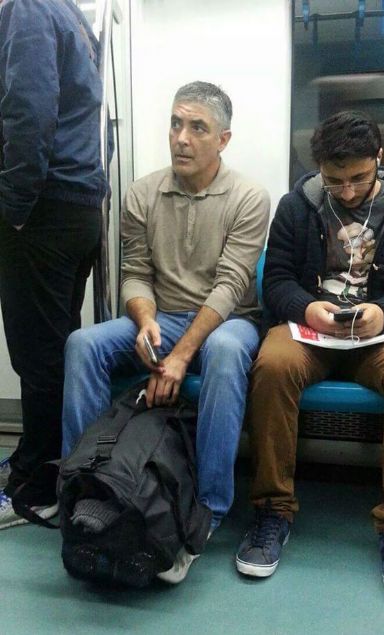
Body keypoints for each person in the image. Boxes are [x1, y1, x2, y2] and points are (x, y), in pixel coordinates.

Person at [61, 81, 270, 583]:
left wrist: (178, 357)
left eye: (197, 127)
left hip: (229, 320)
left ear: (223, 139)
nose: (181, 137)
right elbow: (135, 273)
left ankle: (208, 510)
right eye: (176, 123)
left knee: (224, 352)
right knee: (83, 343)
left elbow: (230, 285)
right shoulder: (143, 193)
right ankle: (85, 485)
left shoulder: (249, 197)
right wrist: (146, 319)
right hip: (165, 315)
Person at [236, 111, 384, 603]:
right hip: (311, 333)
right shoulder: (296, 206)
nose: (348, 191)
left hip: (381, 336)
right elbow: (277, 279)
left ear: (379, 159)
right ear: (318, 169)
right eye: (335, 181)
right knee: (272, 366)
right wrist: (306, 308)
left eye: (359, 177)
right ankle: (272, 508)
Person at [0, 0, 108, 528]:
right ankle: (45, 462)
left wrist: (14, 207)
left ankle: (36, 488)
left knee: (37, 355)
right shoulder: (70, 14)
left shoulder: (28, 8)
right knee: (56, 349)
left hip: (43, 209)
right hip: (78, 207)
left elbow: (29, 111)